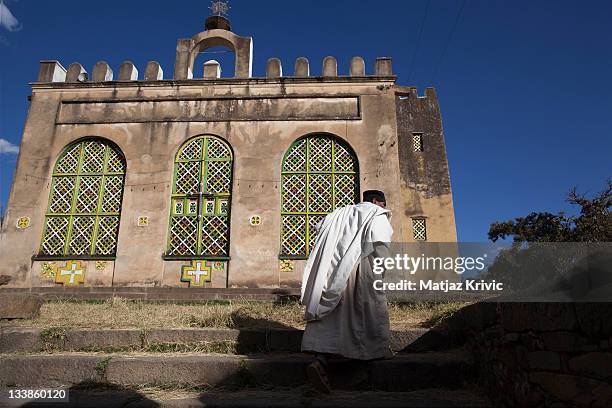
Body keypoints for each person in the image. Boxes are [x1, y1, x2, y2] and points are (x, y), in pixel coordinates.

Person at [300, 190, 394, 393]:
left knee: (331, 319)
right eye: (384, 203)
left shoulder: (337, 214)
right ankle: (368, 358)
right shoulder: (376, 215)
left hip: (332, 272)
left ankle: (320, 360)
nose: (385, 208)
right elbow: (381, 248)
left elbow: (321, 235)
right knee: (366, 312)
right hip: (363, 271)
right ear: (377, 201)